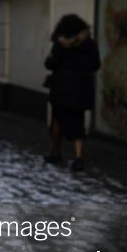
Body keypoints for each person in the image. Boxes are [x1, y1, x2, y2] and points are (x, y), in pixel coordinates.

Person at [44, 13, 100, 171]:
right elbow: (96, 65)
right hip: (81, 89)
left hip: (61, 89)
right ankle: (78, 158)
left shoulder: (60, 44)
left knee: (58, 120)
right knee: (78, 123)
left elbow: (50, 64)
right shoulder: (89, 44)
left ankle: (56, 152)